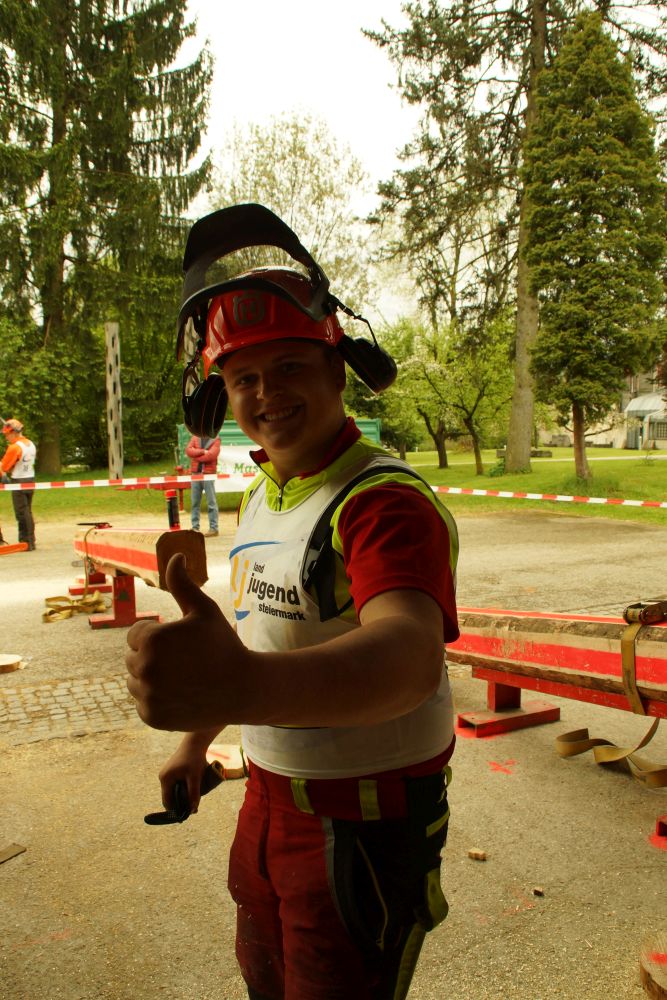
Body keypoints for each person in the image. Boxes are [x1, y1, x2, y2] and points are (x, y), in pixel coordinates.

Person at [126, 206, 459, 1000]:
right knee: (268, 981)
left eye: (288, 368)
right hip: (270, 799)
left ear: (337, 373)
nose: (264, 394)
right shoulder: (264, 495)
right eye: (242, 378)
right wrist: (197, 742)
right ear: (220, 396)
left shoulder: (381, 501)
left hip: (364, 820)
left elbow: (409, 655)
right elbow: (259, 642)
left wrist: (237, 689)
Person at [1, 417, 36, 551]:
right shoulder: (30, 444)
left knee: (21, 513)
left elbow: (5, 467)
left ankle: (26, 542)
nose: (6, 437)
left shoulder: (14, 448)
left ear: (14, 433)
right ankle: (31, 540)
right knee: (28, 511)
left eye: (7, 434)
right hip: (30, 479)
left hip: (19, 481)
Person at [185, 432, 220, 536]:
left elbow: (211, 456)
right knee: (194, 503)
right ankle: (195, 528)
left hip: (208, 475)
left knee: (211, 503)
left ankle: (214, 528)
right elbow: (188, 451)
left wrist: (195, 456)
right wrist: (202, 451)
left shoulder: (216, 439)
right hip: (195, 474)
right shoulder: (195, 437)